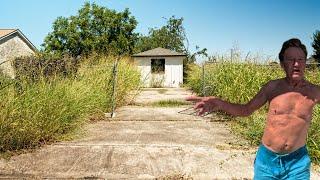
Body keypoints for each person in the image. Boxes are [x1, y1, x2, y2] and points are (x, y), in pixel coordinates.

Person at [186, 38, 320, 179]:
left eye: (300, 59)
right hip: (267, 162)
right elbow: (246, 110)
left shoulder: (315, 92)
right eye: (290, 60)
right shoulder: (272, 88)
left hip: (297, 163)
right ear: (282, 64)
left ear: (305, 63)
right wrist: (218, 103)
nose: (296, 64)